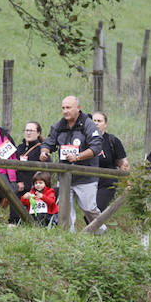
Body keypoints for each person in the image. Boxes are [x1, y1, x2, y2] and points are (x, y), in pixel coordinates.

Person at [40, 96, 104, 231]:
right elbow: (48, 142)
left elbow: (96, 147)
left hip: (86, 176)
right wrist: (44, 152)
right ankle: (68, 236)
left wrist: (78, 157)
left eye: (68, 107)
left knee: (89, 208)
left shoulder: (88, 124)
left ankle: (100, 231)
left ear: (78, 108)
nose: (65, 111)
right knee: (65, 209)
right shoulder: (59, 125)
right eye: (63, 108)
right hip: (64, 176)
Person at [92, 111, 130, 211]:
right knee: (89, 211)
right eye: (94, 121)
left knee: (97, 209)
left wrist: (127, 183)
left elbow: (123, 164)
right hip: (88, 182)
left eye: (99, 121)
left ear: (105, 124)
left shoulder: (112, 141)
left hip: (107, 183)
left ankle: (95, 222)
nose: (96, 123)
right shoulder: (85, 140)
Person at [14, 121, 44, 202]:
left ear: (38, 133)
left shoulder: (41, 149)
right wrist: (18, 181)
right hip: (18, 188)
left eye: (31, 131)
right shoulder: (19, 148)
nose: (28, 133)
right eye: (26, 130)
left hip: (34, 190)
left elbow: (45, 171)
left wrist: (30, 185)